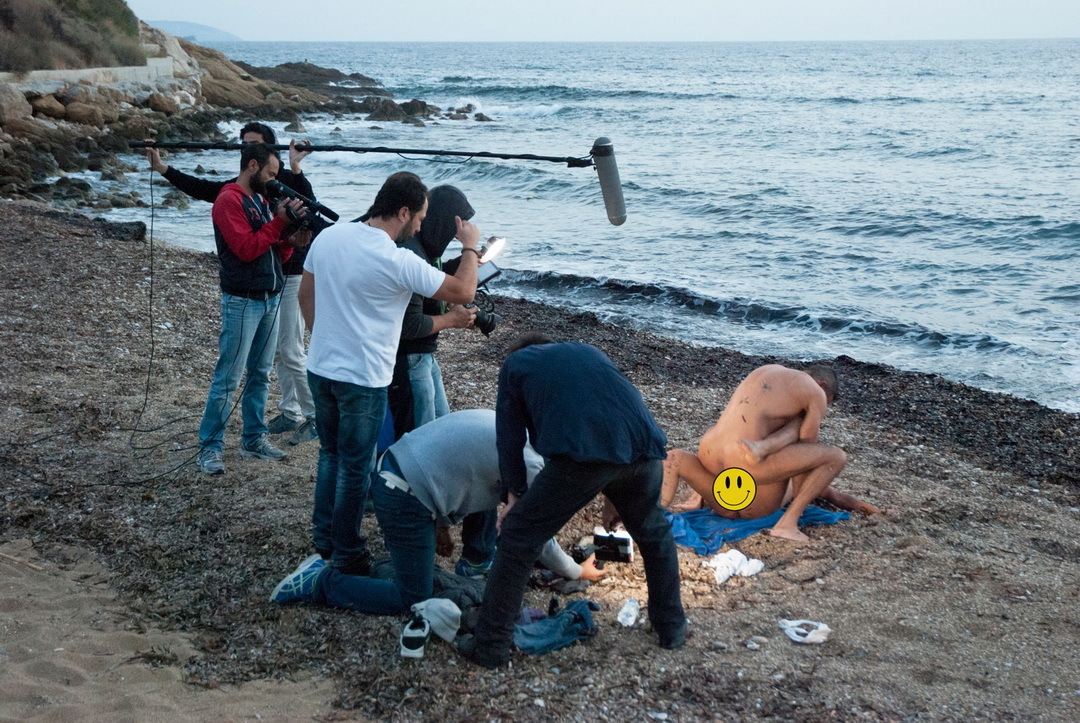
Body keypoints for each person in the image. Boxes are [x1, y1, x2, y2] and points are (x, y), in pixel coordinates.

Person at [460, 334, 687, 669]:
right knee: (654, 534)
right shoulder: (588, 349)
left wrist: (513, 498)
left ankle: (490, 647)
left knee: (518, 539)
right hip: (645, 446)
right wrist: (616, 496)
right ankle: (672, 627)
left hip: (584, 457)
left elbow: (509, 438)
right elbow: (609, 413)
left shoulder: (516, 365)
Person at [299, 172, 480, 576]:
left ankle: (324, 537)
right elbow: (463, 292)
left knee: (330, 455)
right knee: (353, 466)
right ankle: (346, 553)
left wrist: (323, 338)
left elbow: (305, 294)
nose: (420, 226)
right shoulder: (397, 260)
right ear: (402, 212)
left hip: (321, 367)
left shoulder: (330, 236)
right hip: (362, 378)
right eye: (419, 218)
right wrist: (470, 247)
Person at [268, 410, 607, 613]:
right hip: (401, 495)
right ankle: (320, 582)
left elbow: (462, 470)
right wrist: (577, 572)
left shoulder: (513, 428)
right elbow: (536, 534)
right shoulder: (531, 463)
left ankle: (474, 561)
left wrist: (441, 523)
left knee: (502, 490)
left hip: (401, 470)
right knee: (411, 597)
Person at [146, 123, 320, 446]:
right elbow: (241, 239)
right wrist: (163, 168)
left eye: (252, 145)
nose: (244, 150)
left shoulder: (269, 184)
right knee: (237, 374)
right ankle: (215, 443)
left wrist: (290, 234)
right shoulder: (238, 196)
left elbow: (304, 211)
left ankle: (272, 429)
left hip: (281, 278)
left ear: (268, 151)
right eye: (243, 145)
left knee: (272, 363)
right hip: (249, 293)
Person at [390, 184, 497, 580]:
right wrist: (452, 317)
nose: (458, 233)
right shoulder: (411, 252)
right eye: (456, 227)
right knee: (423, 444)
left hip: (424, 360)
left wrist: (464, 262)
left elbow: (433, 281)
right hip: (409, 362)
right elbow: (409, 324)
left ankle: (439, 520)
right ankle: (425, 522)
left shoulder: (425, 251)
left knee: (445, 436)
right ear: (440, 220)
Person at [660, 364, 885, 543]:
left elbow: (738, 426)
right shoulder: (813, 391)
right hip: (750, 486)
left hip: (712, 464)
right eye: (829, 403)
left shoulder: (767, 372)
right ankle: (788, 524)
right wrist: (801, 499)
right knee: (835, 456)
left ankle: (655, 512)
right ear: (822, 385)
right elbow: (807, 448)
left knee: (676, 456)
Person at [194, 143, 307, 475]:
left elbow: (272, 251)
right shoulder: (228, 200)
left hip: (269, 296)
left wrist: (289, 239)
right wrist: (278, 225)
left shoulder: (259, 200)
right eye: (271, 173)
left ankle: (253, 439)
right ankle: (209, 446)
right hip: (243, 300)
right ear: (252, 166)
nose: (273, 181)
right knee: (228, 377)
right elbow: (244, 249)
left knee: (260, 374)